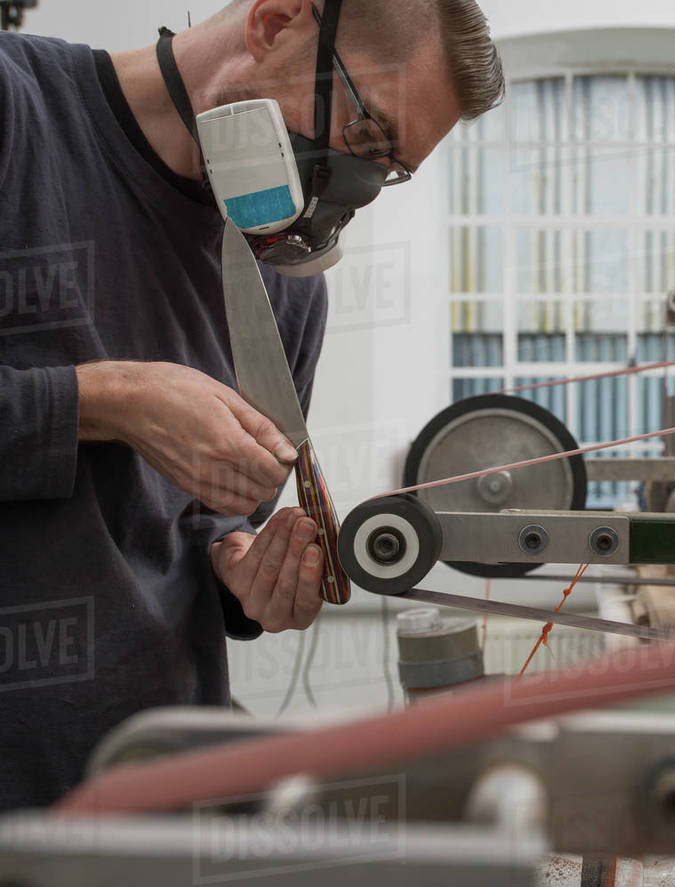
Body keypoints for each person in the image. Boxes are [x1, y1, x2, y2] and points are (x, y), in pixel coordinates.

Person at [0, 0, 503, 810]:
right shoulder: (19, 113)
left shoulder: (281, 290)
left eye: (389, 168)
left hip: (160, 794)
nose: (357, 184)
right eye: (364, 136)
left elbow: (203, 531)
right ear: (275, 24)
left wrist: (246, 579)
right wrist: (109, 400)